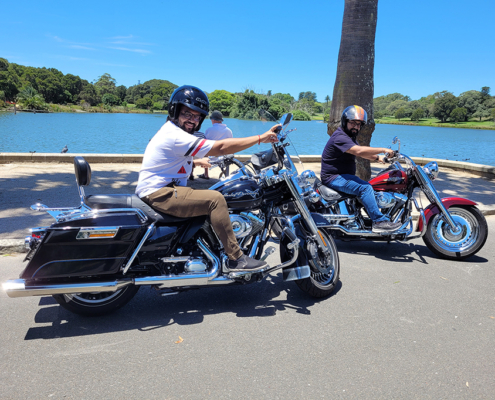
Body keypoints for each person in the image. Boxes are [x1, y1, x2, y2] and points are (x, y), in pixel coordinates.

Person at [136, 85, 280, 272]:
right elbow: (220, 148)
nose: (192, 120)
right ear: (175, 110)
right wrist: (261, 138)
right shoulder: (175, 135)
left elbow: (167, 162)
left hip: (162, 188)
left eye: (197, 116)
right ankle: (236, 258)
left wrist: (195, 163)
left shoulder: (170, 131)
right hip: (160, 193)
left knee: (211, 194)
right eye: (187, 113)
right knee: (215, 199)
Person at [321, 105, 402, 233]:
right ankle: (379, 222)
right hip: (333, 177)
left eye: (359, 124)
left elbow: (362, 152)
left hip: (343, 176)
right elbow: (358, 151)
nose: (356, 127)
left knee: (372, 185)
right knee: (364, 187)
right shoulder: (340, 137)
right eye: (353, 123)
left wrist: (379, 159)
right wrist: (383, 150)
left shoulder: (348, 136)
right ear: (345, 121)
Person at [197, 110, 233, 179]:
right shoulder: (229, 131)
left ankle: (206, 174)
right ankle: (226, 175)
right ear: (221, 120)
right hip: (225, 157)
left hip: (211, 157)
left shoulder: (209, 130)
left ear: (213, 120)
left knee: (205, 149)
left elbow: (205, 143)